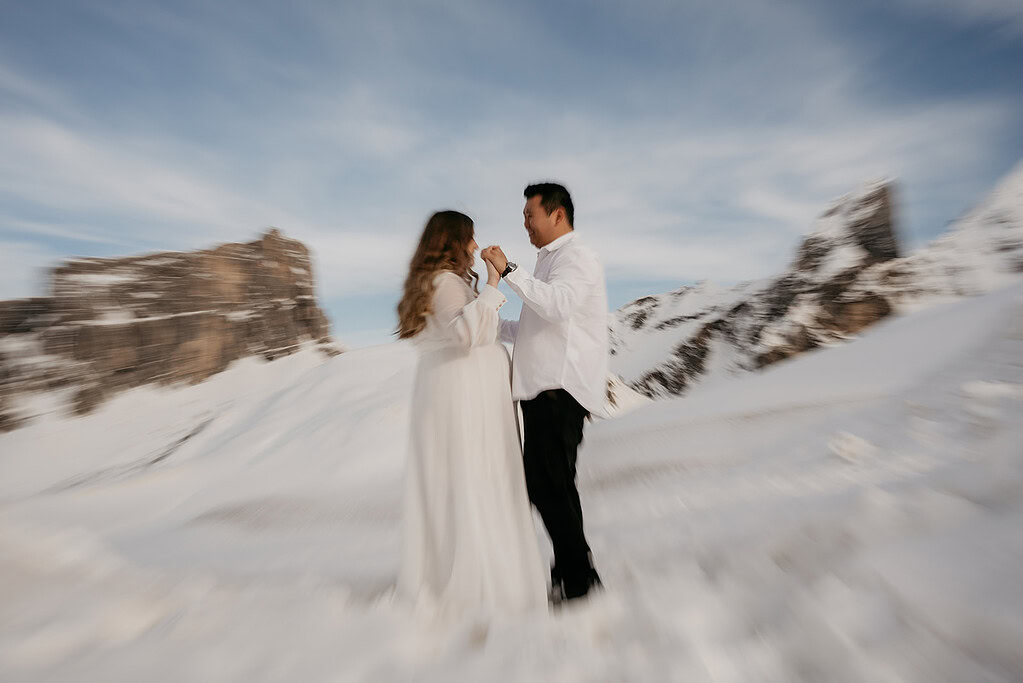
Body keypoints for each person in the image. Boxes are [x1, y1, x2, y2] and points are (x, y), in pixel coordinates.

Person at [395, 210, 547, 617]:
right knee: (474, 477)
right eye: (471, 239)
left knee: (464, 478)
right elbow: (467, 333)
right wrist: (494, 281)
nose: (476, 247)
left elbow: (483, 327)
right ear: (453, 241)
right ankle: (478, 586)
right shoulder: (444, 283)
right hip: (463, 395)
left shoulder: (443, 283)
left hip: (455, 390)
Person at [482, 182, 609, 604]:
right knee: (553, 485)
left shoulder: (576, 257)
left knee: (547, 484)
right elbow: (537, 325)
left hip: (560, 389)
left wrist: (511, 272)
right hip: (544, 389)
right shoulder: (550, 262)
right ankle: (574, 574)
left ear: (557, 215)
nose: (525, 224)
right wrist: (490, 321)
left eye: (529, 215)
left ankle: (578, 581)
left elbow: (559, 306)